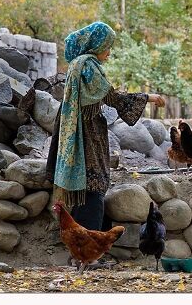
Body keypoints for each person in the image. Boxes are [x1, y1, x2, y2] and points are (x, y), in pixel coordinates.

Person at [46, 21, 165, 231]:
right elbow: (111, 96)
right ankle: (89, 245)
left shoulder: (76, 63)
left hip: (76, 128)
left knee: (84, 186)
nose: (109, 52)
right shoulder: (88, 65)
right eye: (107, 46)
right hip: (87, 133)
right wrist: (148, 97)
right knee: (94, 185)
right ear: (97, 44)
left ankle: (81, 248)